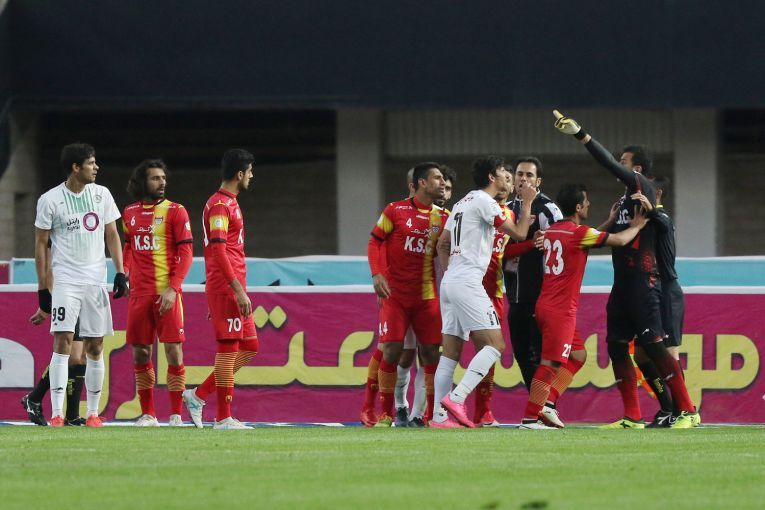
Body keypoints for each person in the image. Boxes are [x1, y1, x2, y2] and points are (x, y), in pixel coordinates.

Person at [553, 110, 699, 429]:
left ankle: (688, 410)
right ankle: (632, 416)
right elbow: (605, 240)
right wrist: (608, 222)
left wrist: (581, 135)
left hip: (645, 284)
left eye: (624, 161)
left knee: (655, 348)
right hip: (622, 285)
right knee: (616, 346)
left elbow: (607, 163)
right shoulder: (623, 203)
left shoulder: (642, 186)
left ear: (637, 169)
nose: (618, 164)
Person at [519, 183, 648, 429]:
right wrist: (638, 226)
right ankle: (530, 417)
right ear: (578, 207)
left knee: (578, 355)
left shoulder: (554, 230)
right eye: (586, 202)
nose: (589, 204)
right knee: (550, 363)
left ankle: (548, 403)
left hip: (547, 305)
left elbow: (587, 237)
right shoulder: (578, 234)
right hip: (560, 310)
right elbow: (620, 240)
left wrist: (610, 221)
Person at [431, 156, 536, 428]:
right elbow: (520, 233)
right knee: (495, 345)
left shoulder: (461, 202)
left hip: (450, 281)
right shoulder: (485, 201)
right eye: (502, 172)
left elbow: (442, 245)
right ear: (491, 177)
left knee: (450, 354)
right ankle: (457, 398)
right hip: (467, 281)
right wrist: (526, 203)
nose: (506, 176)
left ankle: (439, 417)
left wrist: (453, 272)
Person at [34, 142, 127, 427]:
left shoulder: (102, 195)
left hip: (95, 282)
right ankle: (57, 413)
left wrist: (120, 272)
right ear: (76, 167)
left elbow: (112, 234)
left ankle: (93, 413)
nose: (96, 167)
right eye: (91, 163)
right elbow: (41, 245)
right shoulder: (50, 200)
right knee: (62, 341)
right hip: (66, 282)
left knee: (95, 346)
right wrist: (42, 288)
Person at [363, 162, 449, 427]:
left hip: (426, 296)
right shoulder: (395, 210)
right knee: (391, 350)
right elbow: (375, 241)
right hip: (396, 295)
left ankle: (431, 414)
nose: (442, 183)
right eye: (437, 178)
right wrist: (377, 274)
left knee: (431, 353)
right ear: (422, 183)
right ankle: (386, 413)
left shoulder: (444, 217)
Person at [182, 149, 260, 430]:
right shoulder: (219, 206)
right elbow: (218, 251)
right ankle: (223, 417)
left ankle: (198, 395)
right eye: (249, 171)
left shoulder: (230, 203)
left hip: (228, 286)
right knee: (228, 349)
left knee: (250, 347)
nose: (252, 176)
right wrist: (236, 290)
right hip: (227, 287)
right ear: (239, 174)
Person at [122, 159, 193, 427]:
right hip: (139, 294)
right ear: (143, 182)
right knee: (141, 353)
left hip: (167, 293)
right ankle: (148, 414)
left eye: (163, 178)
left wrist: (173, 289)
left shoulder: (176, 211)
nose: (162, 182)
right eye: (155, 178)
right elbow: (129, 246)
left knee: (173, 351)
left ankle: (175, 414)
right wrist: (124, 273)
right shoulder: (129, 212)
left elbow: (186, 253)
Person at [394, 165, 457, 427]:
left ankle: (419, 415)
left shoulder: (450, 219)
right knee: (405, 355)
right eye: (440, 183)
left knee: (429, 355)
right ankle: (400, 406)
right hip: (413, 295)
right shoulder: (400, 213)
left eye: (449, 187)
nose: (444, 190)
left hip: (441, 298)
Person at [631, 176, 690, 427]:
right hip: (649, 291)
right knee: (641, 355)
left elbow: (664, 223)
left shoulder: (661, 217)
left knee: (669, 353)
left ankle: (684, 410)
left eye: (648, 190)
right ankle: (667, 407)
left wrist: (652, 210)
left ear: (658, 193)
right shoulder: (642, 219)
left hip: (666, 291)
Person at [503, 157, 563, 391]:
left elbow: (562, 246)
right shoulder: (505, 209)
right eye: (520, 174)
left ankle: (545, 405)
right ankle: (537, 404)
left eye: (529, 175)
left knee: (540, 356)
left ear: (538, 181)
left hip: (539, 295)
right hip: (514, 296)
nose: (523, 179)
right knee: (521, 355)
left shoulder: (548, 209)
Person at [22, 239, 87, 426]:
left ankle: (71, 415)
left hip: (85, 289)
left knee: (80, 356)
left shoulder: (87, 229)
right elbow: (50, 263)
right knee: (70, 354)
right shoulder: (60, 228)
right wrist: (48, 299)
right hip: (66, 293)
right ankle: (36, 399)